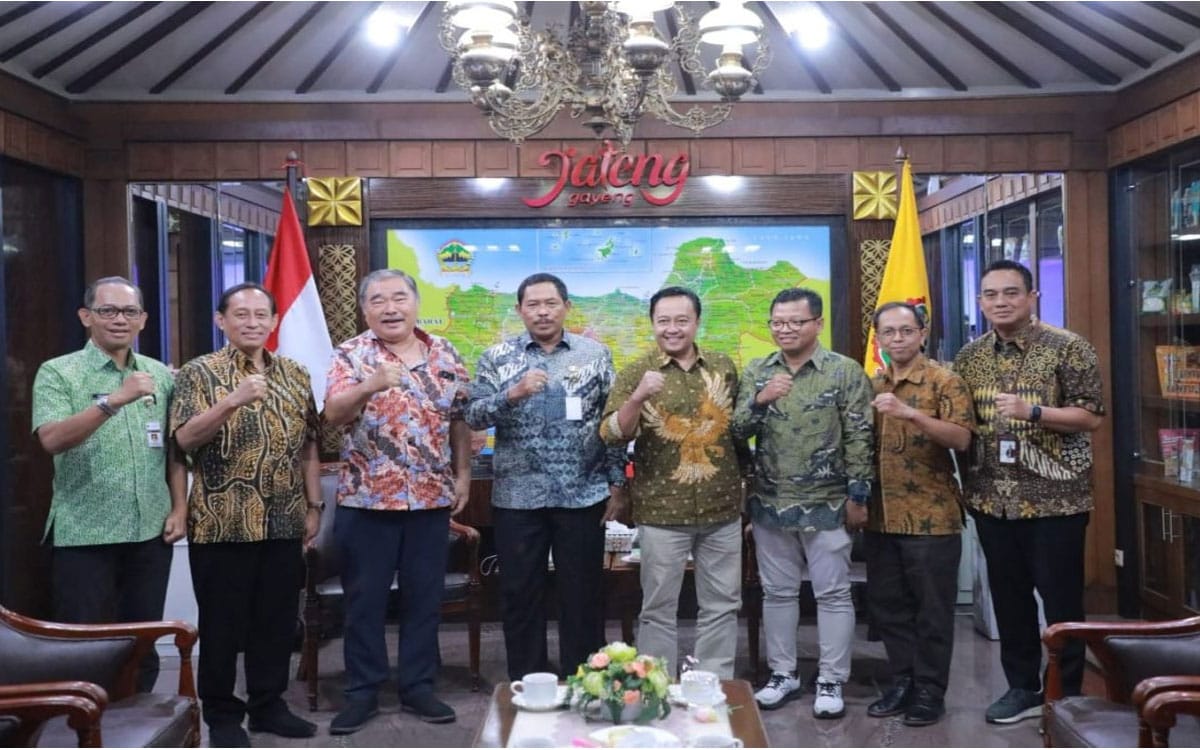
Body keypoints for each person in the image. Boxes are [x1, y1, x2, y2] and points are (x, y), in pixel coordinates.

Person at [953, 259, 1104, 724]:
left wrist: (1034, 412)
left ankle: (1067, 695)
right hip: (992, 500)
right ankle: (1021, 688)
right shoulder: (969, 357)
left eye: (1011, 292)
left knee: (1061, 603)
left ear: (1032, 296)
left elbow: (1091, 416)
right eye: (991, 294)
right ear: (980, 301)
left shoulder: (1068, 347)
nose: (1000, 302)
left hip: (1055, 501)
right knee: (1010, 600)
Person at [170, 283, 321, 747]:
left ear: (274, 321)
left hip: (283, 518)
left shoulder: (295, 372)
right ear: (221, 320)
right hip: (222, 522)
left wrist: (314, 505)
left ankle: (268, 706)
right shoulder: (199, 372)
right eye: (241, 314)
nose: (252, 322)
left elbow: (309, 446)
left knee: (276, 623)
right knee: (222, 625)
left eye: (261, 315)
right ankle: (221, 714)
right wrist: (231, 400)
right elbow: (183, 440)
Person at [324, 269, 472, 734]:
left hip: (430, 499)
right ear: (365, 309)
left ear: (415, 302)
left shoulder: (445, 352)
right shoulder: (351, 353)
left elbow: (459, 419)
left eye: (399, 298)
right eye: (378, 300)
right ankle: (362, 693)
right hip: (367, 500)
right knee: (364, 602)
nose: (390, 308)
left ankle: (418, 687)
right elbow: (333, 414)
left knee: (423, 599)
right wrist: (369, 384)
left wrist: (463, 475)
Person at [466, 273, 628, 680]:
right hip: (518, 497)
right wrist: (512, 394)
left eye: (551, 303)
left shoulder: (595, 355)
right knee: (520, 594)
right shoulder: (496, 357)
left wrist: (617, 483)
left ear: (566, 307)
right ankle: (529, 679)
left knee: (583, 594)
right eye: (533, 304)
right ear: (519, 310)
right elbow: (473, 415)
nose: (542, 312)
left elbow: (611, 423)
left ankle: (585, 679)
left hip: (582, 493)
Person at [32, 276, 184, 693]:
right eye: (108, 311)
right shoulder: (58, 372)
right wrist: (113, 400)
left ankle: (141, 721)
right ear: (86, 317)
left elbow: (174, 450)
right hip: (85, 533)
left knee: (143, 644)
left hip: (149, 532)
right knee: (85, 648)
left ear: (143, 320)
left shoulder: (158, 374)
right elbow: (51, 439)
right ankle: (87, 722)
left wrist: (179, 508)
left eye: (129, 311)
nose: (120, 320)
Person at [731, 287, 873, 720]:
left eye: (796, 321)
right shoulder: (758, 370)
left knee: (833, 594)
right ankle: (783, 673)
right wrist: (760, 400)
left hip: (828, 502)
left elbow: (860, 435)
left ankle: (831, 679)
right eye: (778, 322)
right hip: (770, 502)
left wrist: (858, 496)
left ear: (818, 323)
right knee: (777, 593)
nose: (785, 329)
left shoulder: (843, 371)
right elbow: (736, 430)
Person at [599, 286, 746, 679]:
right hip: (661, 511)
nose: (672, 328)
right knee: (658, 608)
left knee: (722, 604)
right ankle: (657, 685)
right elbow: (611, 432)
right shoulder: (637, 371)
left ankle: (714, 683)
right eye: (663, 321)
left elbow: (737, 431)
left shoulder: (722, 366)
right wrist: (638, 397)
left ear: (697, 322)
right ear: (652, 323)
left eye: (682, 320)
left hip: (721, 508)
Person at [865, 302, 974, 727]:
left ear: (922, 334)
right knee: (889, 608)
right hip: (881, 517)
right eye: (888, 332)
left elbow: (960, 438)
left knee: (932, 611)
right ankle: (903, 682)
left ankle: (930, 691)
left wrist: (910, 413)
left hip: (931, 517)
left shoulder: (945, 380)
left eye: (906, 331)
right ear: (878, 339)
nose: (897, 339)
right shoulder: (874, 383)